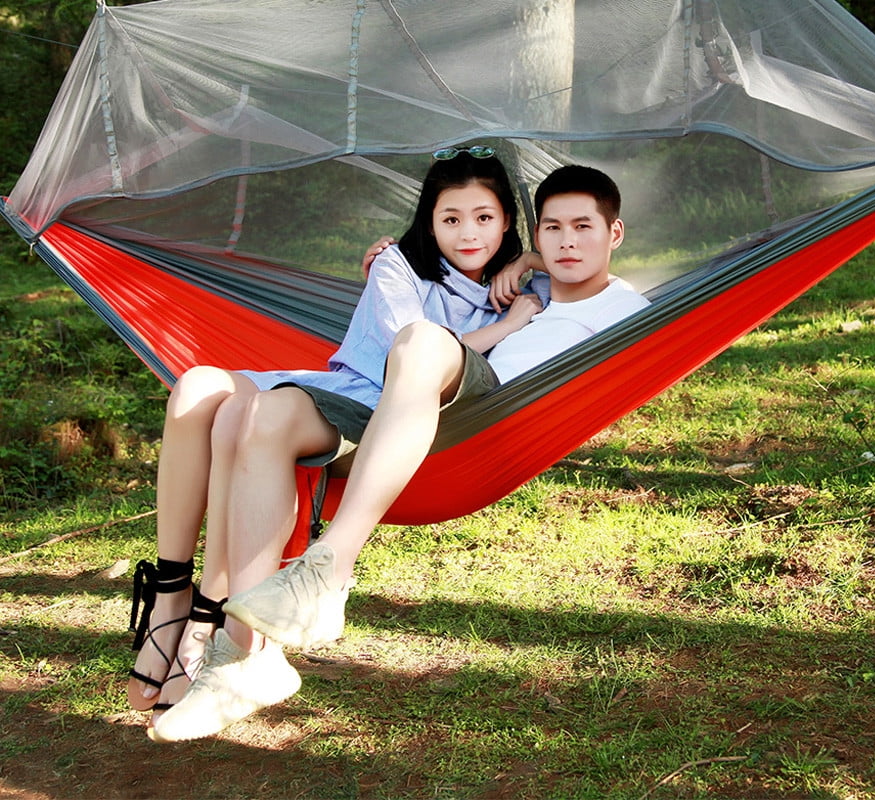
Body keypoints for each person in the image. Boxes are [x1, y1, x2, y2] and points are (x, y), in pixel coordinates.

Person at [148, 164, 649, 742]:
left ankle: (328, 568)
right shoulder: (523, 283)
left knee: (420, 338)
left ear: (614, 233)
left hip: (476, 413)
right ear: (533, 233)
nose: (568, 242)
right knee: (255, 414)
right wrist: (526, 263)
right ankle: (242, 654)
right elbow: (544, 260)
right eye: (554, 229)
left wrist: (526, 267)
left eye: (584, 227)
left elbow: (623, 307)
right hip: (410, 405)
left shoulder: (623, 311)